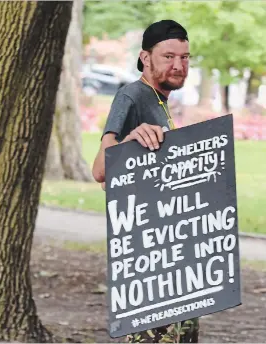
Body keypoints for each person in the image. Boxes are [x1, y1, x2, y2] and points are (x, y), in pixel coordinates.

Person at [92, 20, 199, 343]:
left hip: (171, 246)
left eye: (185, 57)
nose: (178, 65)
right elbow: (101, 169)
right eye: (168, 56)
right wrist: (130, 141)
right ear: (145, 57)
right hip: (148, 257)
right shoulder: (132, 96)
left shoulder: (159, 99)